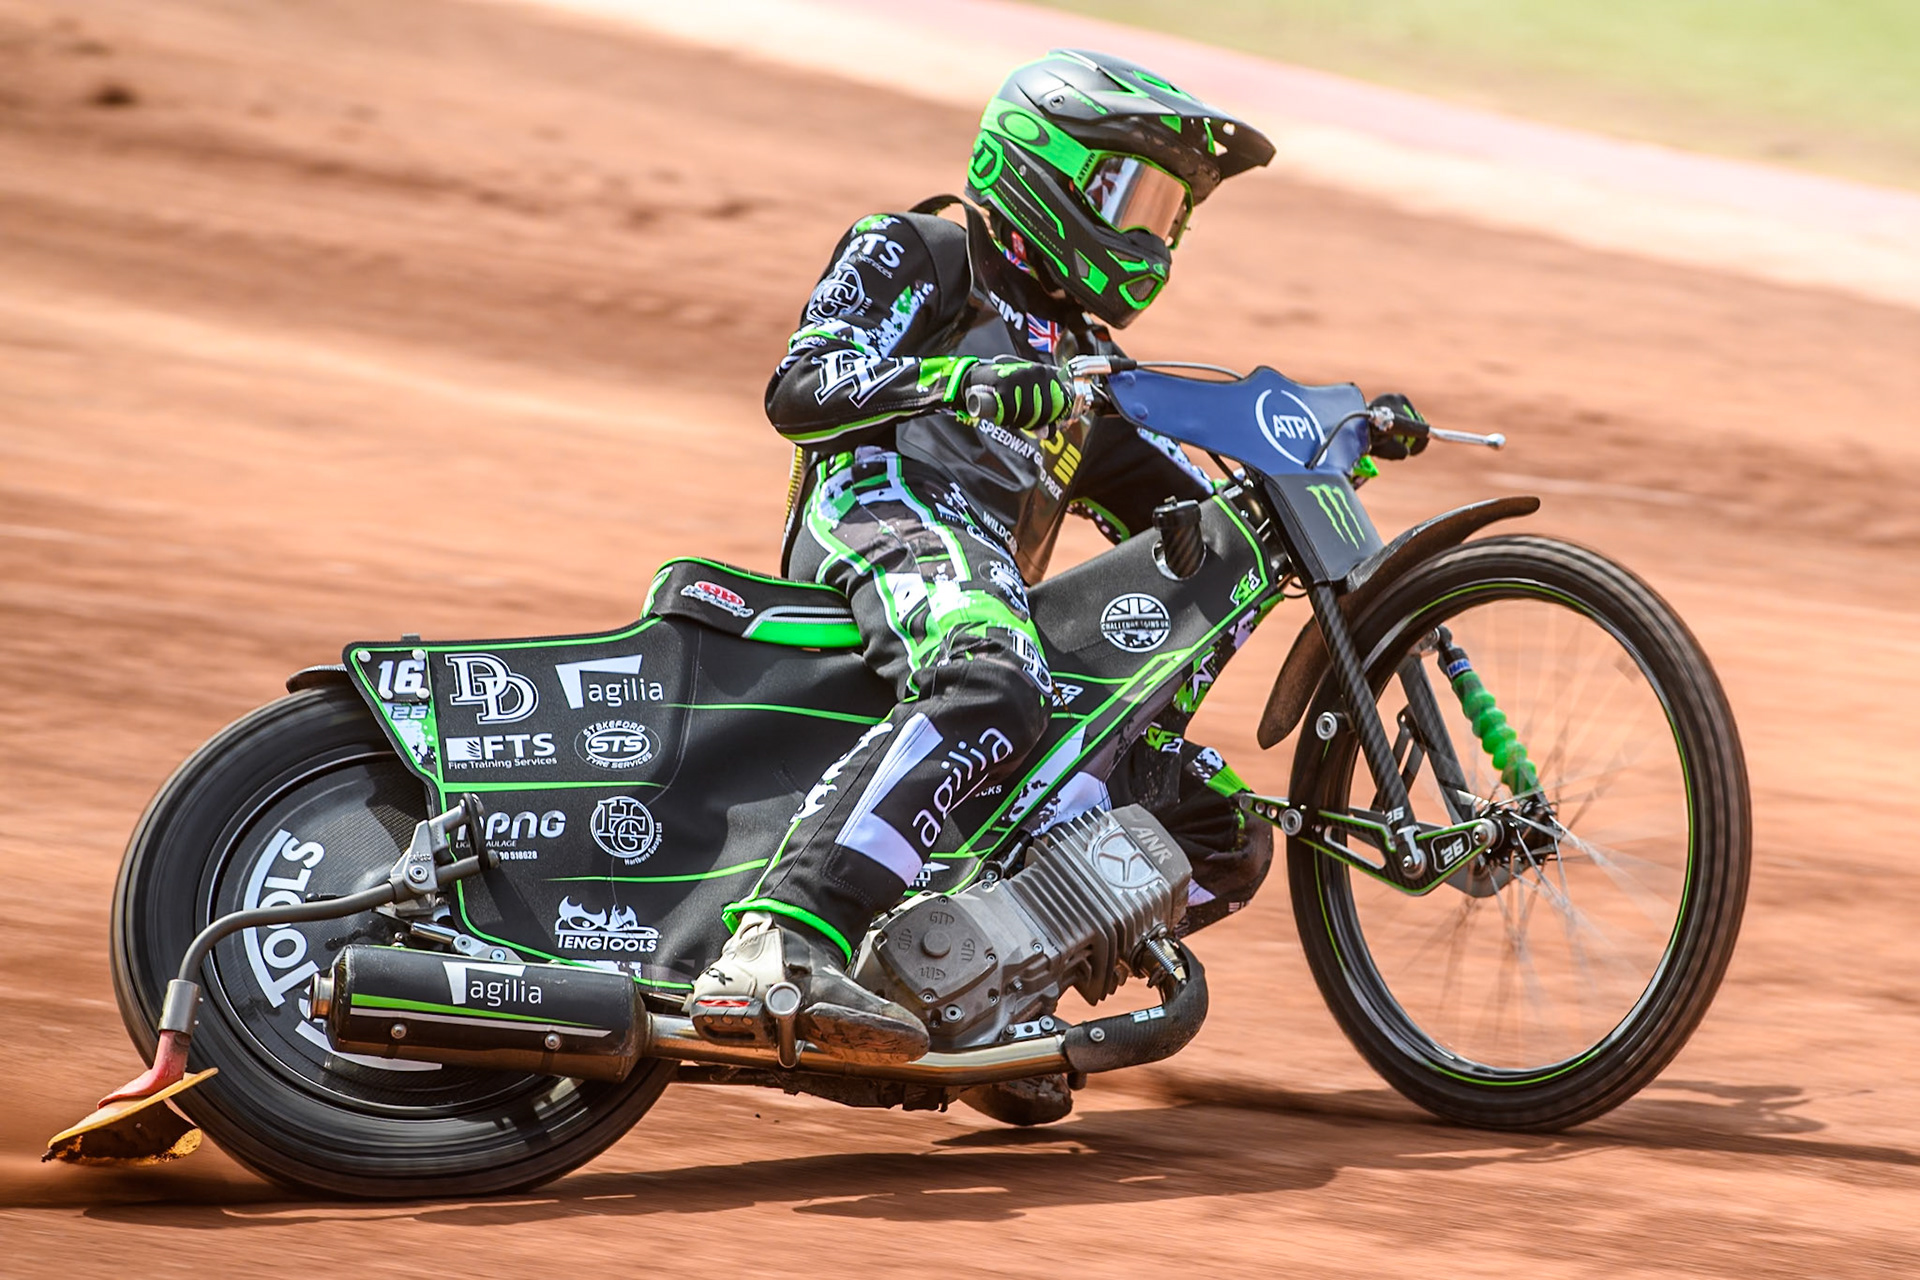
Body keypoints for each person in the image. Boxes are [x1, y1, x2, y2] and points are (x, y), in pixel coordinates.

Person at [687, 50, 1422, 1076]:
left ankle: (978, 984)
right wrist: (968, 379)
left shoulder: (1081, 362)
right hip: (885, 521)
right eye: (1132, 194)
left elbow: (1189, 509)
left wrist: (1317, 459)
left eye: (1169, 214)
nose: (1149, 235)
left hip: (983, 584)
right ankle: (781, 940)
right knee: (996, 668)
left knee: (1214, 823)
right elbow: (801, 384)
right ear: (1041, 165)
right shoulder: (920, 248)